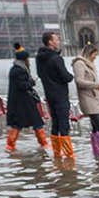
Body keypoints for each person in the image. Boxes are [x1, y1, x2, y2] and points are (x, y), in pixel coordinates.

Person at [36, 31, 76, 160]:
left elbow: (40, 75)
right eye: (56, 40)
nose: (58, 42)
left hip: (49, 95)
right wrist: (71, 76)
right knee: (64, 125)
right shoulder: (56, 58)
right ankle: (69, 156)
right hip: (60, 96)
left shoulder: (39, 58)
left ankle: (57, 154)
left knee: (55, 124)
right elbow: (66, 77)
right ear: (50, 42)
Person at [4, 47, 51, 154]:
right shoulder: (20, 70)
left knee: (17, 124)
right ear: (25, 59)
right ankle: (44, 144)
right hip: (24, 103)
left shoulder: (15, 69)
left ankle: (10, 146)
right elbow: (23, 85)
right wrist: (32, 82)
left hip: (19, 102)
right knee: (37, 123)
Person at [73, 42, 99, 160]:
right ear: (89, 53)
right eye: (94, 54)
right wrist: (98, 85)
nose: (95, 57)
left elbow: (93, 83)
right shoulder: (79, 64)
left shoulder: (89, 65)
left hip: (95, 99)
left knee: (97, 127)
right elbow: (79, 82)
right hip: (88, 100)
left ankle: (98, 154)